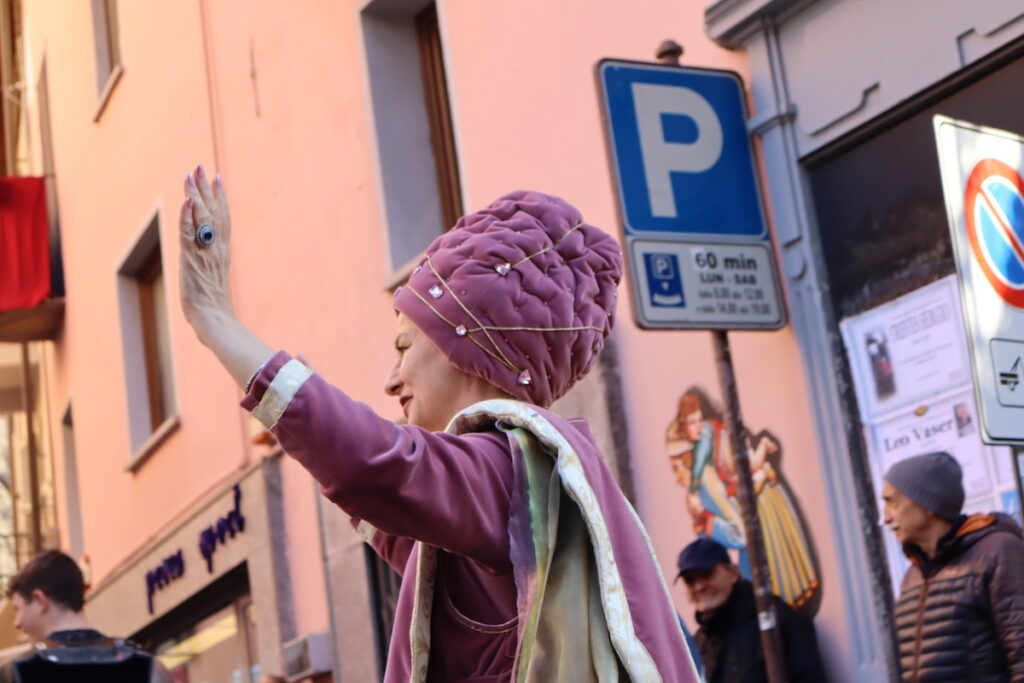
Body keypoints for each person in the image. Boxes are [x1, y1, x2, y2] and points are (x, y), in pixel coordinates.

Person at [177, 165, 699, 682]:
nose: (390, 380)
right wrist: (303, 420)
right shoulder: (515, 484)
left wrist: (214, 318)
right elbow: (394, 519)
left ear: (468, 347)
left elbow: (376, 469)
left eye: (403, 346)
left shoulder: (505, 469)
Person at [881, 451, 1024, 681]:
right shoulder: (913, 574)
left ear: (928, 503)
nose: (885, 518)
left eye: (892, 502)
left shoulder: (997, 551)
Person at [2, 550, 171, 682]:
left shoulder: (16, 673)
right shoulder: (147, 667)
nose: (17, 623)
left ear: (40, 600)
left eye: (18, 609)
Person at [677, 537, 827, 683]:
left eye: (706, 574)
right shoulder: (699, 641)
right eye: (690, 580)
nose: (699, 587)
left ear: (733, 573)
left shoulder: (776, 621)